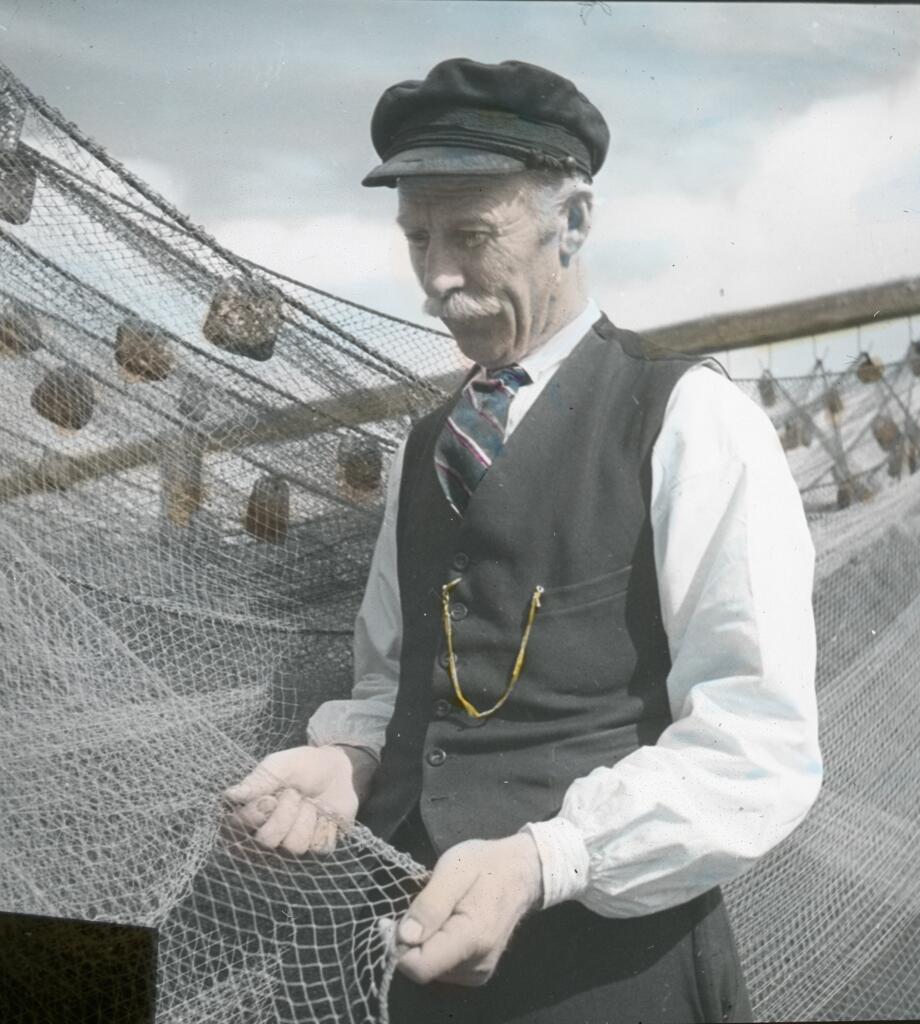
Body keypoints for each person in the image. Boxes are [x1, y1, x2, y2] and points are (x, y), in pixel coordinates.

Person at [224, 58, 822, 1023]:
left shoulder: (689, 418)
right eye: (417, 238)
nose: (436, 278)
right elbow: (395, 683)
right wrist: (352, 761)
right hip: (409, 958)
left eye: (470, 235)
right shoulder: (427, 445)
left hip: (603, 975)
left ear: (572, 223)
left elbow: (757, 743)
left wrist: (548, 860)